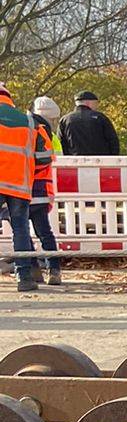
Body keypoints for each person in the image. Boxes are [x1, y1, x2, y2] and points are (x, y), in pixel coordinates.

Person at [0, 86, 38, 291]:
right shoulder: (29, 121)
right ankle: (24, 277)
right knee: (21, 229)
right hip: (19, 184)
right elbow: (40, 156)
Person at [27, 97, 61, 286]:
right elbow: (45, 159)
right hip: (40, 188)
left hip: (22, 187)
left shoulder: (26, 128)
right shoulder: (44, 132)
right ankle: (54, 270)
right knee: (44, 232)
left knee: (22, 232)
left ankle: (33, 269)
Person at [59, 91, 119, 156]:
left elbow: (61, 143)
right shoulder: (100, 118)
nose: (96, 107)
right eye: (95, 104)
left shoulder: (65, 120)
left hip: (74, 163)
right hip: (100, 162)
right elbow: (113, 142)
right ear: (88, 103)